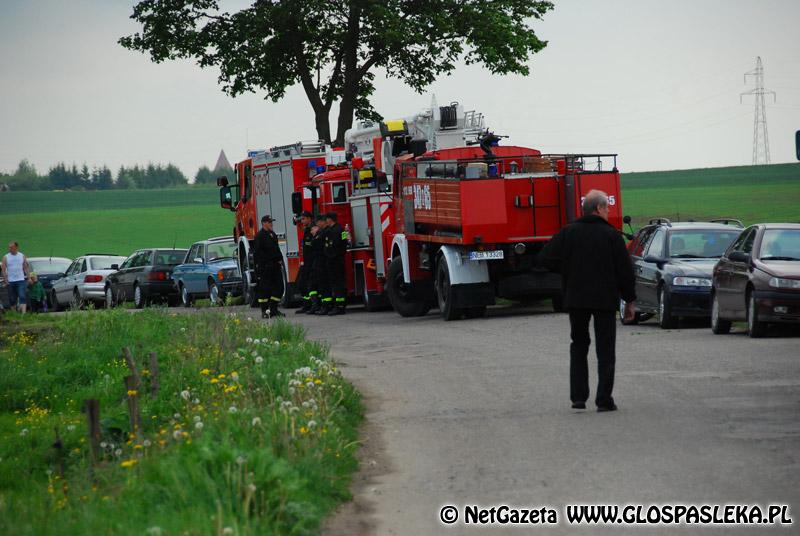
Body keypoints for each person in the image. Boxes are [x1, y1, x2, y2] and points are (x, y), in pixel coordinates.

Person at [539, 190, 636, 412]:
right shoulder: (612, 236)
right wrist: (629, 300)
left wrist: (567, 270)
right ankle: (603, 400)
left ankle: (578, 398)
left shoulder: (569, 233)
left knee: (579, 346)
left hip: (577, 299)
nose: (609, 212)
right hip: (605, 300)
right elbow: (625, 272)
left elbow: (544, 259)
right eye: (607, 208)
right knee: (605, 350)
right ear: (599, 208)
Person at [253, 215, 285, 319]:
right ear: (263, 223)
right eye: (269, 222)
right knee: (265, 289)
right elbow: (257, 253)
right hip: (266, 267)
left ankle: (273, 309)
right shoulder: (260, 236)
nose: (271, 224)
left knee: (279, 288)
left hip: (275, 266)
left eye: (271, 221)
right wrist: (261, 266)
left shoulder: (272, 234)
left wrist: (280, 259)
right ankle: (264, 311)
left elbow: (276, 249)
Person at [323, 211, 348, 315]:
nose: (326, 221)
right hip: (340, 259)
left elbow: (332, 246)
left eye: (327, 219)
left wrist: (329, 255)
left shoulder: (332, 231)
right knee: (340, 283)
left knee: (336, 284)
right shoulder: (342, 229)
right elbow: (345, 242)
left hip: (334, 260)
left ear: (330, 219)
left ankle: (338, 306)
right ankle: (341, 305)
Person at [295, 211, 315, 314]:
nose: (301, 221)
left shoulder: (313, 230)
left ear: (309, 219)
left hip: (312, 263)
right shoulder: (307, 230)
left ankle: (312, 305)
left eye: (303, 219)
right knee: (301, 283)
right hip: (306, 262)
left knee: (310, 285)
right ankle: (307, 305)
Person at [2, 241, 30, 314]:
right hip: (10, 281)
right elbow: (3, 269)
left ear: (16, 247)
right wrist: (6, 280)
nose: (9, 248)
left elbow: (26, 268)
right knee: (12, 299)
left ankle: (23, 314)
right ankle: (14, 314)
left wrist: (29, 277)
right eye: (9, 247)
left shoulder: (22, 256)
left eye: (11, 247)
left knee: (22, 295)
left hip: (20, 280)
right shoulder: (6, 257)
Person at [311, 214, 331, 315]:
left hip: (322, 263)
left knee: (324, 286)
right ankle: (325, 305)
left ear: (322, 221)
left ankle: (326, 306)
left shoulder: (324, 232)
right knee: (322, 286)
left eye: (318, 222)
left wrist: (315, 237)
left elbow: (315, 244)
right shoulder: (323, 232)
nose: (317, 224)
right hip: (320, 262)